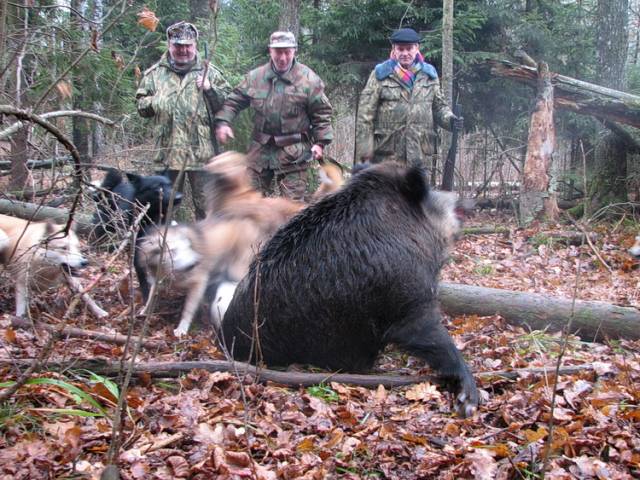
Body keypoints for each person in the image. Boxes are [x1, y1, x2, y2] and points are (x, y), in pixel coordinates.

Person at [215, 31, 333, 201]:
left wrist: (320, 143)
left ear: (294, 51)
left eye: (287, 52)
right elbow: (234, 101)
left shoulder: (309, 80)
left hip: (294, 154)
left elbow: (322, 113)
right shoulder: (255, 78)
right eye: (278, 52)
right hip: (260, 153)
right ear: (270, 51)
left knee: (291, 210)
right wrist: (224, 122)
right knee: (248, 203)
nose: (283, 57)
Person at [136, 21, 229, 219]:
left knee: (207, 207)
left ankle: (207, 247)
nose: (183, 50)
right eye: (178, 46)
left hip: (201, 154)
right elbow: (141, 107)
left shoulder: (210, 72)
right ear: (170, 45)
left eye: (188, 45)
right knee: (163, 207)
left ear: (195, 45)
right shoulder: (154, 75)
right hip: (166, 153)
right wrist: (154, 101)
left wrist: (210, 89)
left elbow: (227, 107)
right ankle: (165, 247)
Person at [355, 27, 463, 167]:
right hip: (386, 157)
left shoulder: (429, 75)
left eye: (409, 48)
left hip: (420, 156)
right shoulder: (380, 74)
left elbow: (439, 107)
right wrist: (364, 156)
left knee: (417, 190)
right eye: (400, 49)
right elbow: (365, 116)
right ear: (394, 49)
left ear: (417, 48)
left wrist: (450, 120)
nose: (405, 53)